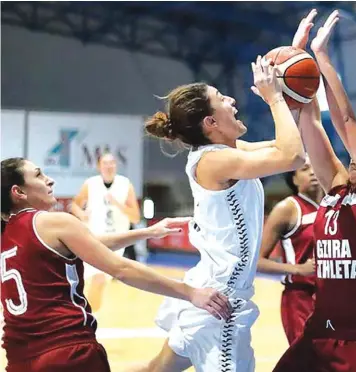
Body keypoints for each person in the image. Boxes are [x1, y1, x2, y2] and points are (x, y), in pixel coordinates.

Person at [128, 52, 307, 372]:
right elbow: (291, 157)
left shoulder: (225, 153)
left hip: (212, 286)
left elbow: (288, 145)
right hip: (221, 299)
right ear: (210, 123)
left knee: (157, 370)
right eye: (222, 99)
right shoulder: (215, 161)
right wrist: (275, 99)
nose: (233, 101)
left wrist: (292, 86)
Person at [266, 10, 356, 372]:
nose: (353, 152)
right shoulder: (336, 188)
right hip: (319, 333)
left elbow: (346, 123)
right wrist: (296, 58)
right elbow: (310, 120)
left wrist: (323, 58)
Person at [0, 157, 231, 372]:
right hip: (66, 351)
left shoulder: (7, 234)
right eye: (39, 175)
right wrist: (191, 293)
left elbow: (89, 244)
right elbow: (122, 269)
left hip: (19, 358)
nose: (49, 179)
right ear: (18, 192)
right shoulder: (54, 221)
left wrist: (147, 232)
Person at [257, 156, 322, 345]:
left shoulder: (331, 205)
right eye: (304, 169)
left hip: (331, 297)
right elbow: (257, 261)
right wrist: (298, 269)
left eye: (315, 166)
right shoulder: (288, 208)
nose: (312, 172)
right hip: (300, 299)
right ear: (293, 179)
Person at [70, 151, 141, 312]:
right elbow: (74, 205)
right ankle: (89, 316)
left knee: (99, 281)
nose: (109, 166)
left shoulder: (125, 184)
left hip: (116, 240)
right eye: (105, 163)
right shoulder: (90, 183)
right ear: (99, 166)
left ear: (116, 165)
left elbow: (135, 217)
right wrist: (81, 214)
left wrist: (117, 204)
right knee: (95, 279)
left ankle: (88, 315)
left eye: (112, 163)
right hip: (94, 237)